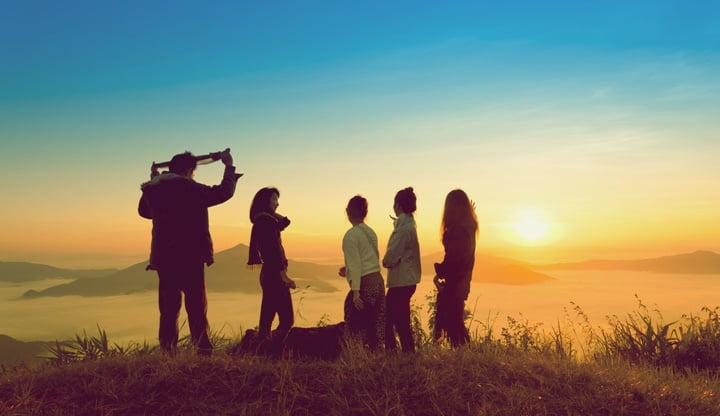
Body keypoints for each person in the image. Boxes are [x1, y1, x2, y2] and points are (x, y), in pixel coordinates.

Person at [138, 149, 239, 356]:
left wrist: (153, 182)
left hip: (164, 258)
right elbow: (222, 193)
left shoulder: (154, 190)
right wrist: (229, 167)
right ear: (188, 171)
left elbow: (144, 212)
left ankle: (168, 352)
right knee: (196, 308)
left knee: (168, 310)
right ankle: (202, 352)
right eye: (193, 172)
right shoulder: (188, 188)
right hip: (190, 255)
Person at [247, 187, 296, 340]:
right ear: (265, 201)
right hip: (274, 274)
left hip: (269, 274)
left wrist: (269, 211)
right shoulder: (266, 223)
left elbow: (285, 222)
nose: (278, 204)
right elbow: (273, 252)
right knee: (286, 319)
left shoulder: (264, 220)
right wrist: (284, 276)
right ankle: (272, 349)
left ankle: (263, 347)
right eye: (274, 200)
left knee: (267, 319)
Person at [339, 195, 385, 350]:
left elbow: (356, 264)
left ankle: (356, 356)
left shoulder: (350, 235)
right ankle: (377, 357)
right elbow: (367, 259)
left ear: (348, 212)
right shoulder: (370, 232)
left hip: (365, 285)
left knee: (355, 324)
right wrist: (348, 270)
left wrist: (356, 292)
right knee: (375, 323)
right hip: (378, 281)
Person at [433, 189, 477, 347]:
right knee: (454, 323)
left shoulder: (458, 230)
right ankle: (464, 360)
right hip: (463, 281)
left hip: (455, 282)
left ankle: (465, 362)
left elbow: (453, 258)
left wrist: (440, 273)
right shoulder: (468, 227)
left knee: (453, 325)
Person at [383, 187, 421, 353]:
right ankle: (407, 353)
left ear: (398, 205)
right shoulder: (409, 225)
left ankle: (396, 352)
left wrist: (385, 261)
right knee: (400, 319)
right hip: (407, 280)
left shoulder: (403, 229)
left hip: (401, 281)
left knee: (389, 319)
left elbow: (390, 258)